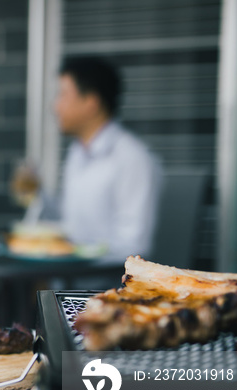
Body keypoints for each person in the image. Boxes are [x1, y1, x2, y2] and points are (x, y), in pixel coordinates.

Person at [53, 56, 163, 263]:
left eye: (63, 95)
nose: (55, 107)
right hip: (66, 278)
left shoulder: (132, 158)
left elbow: (135, 245)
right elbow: (72, 226)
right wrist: (37, 195)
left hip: (105, 289)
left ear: (91, 103)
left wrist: (73, 256)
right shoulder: (77, 152)